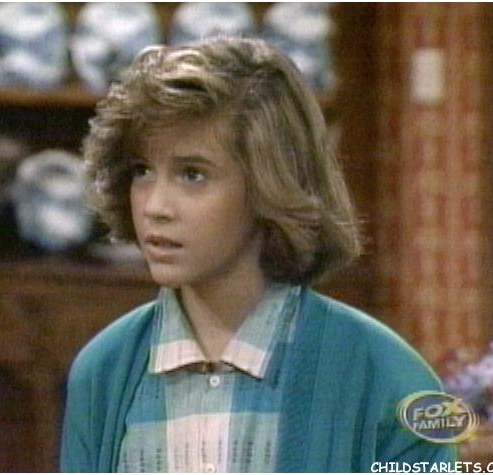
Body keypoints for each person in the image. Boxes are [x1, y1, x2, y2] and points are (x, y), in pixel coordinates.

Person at [60, 37, 456, 472]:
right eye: (143, 171)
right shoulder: (104, 373)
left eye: (193, 174)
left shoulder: (388, 380)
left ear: (271, 183)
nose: (155, 206)